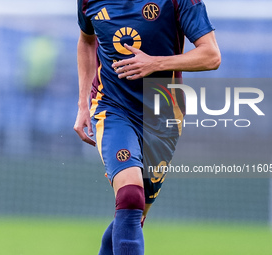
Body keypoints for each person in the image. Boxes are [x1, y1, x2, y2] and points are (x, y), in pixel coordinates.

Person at [74, 0, 221, 254]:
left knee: (134, 213)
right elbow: (87, 41)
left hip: (163, 116)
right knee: (130, 195)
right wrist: (82, 105)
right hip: (112, 107)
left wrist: (155, 64)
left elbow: (211, 55)